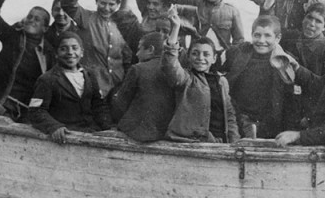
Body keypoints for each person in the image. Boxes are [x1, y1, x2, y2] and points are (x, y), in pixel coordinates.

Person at [161, 12, 240, 143]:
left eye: (206, 54)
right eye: (195, 54)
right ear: (188, 56)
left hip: (220, 143)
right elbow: (170, 65)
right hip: (191, 141)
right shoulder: (186, 78)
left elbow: (229, 114)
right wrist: (175, 29)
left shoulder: (221, 81)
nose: (200, 58)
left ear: (214, 59)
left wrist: (234, 141)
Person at [60, 0, 132, 98]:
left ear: (118, 4)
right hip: (91, 87)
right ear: (96, 1)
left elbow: (127, 58)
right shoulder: (86, 18)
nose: (106, 8)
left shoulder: (121, 24)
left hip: (117, 86)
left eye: (111, 4)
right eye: (102, 3)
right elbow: (68, 3)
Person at [28, 31, 111, 144]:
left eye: (74, 48)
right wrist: (55, 127)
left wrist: (107, 128)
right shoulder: (47, 79)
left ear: (81, 52)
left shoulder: (90, 75)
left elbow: (99, 105)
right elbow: (36, 111)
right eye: (63, 49)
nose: (70, 53)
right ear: (56, 54)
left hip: (91, 133)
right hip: (66, 137)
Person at [224, 16, 297, 138]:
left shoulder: (285, 61)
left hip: (270, 124)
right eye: (257, 35)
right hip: (239, 120)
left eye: (267, 36)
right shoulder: (239, 53)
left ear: (277, 38)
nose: (261, 40)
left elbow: (290, 101)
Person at [0, 5, 55, 112]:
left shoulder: (48, 53)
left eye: (37, 19)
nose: (31, 20)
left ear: (45, 28)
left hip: (23, 108)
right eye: (29, 17)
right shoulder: (12, 36)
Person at [111, 32, 177, 142]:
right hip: (165, 133)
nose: (136, 54)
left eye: (139, 49)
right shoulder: (176, 71)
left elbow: (121, 103)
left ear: (151, 49)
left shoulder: (137, 69)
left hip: (136, 132)